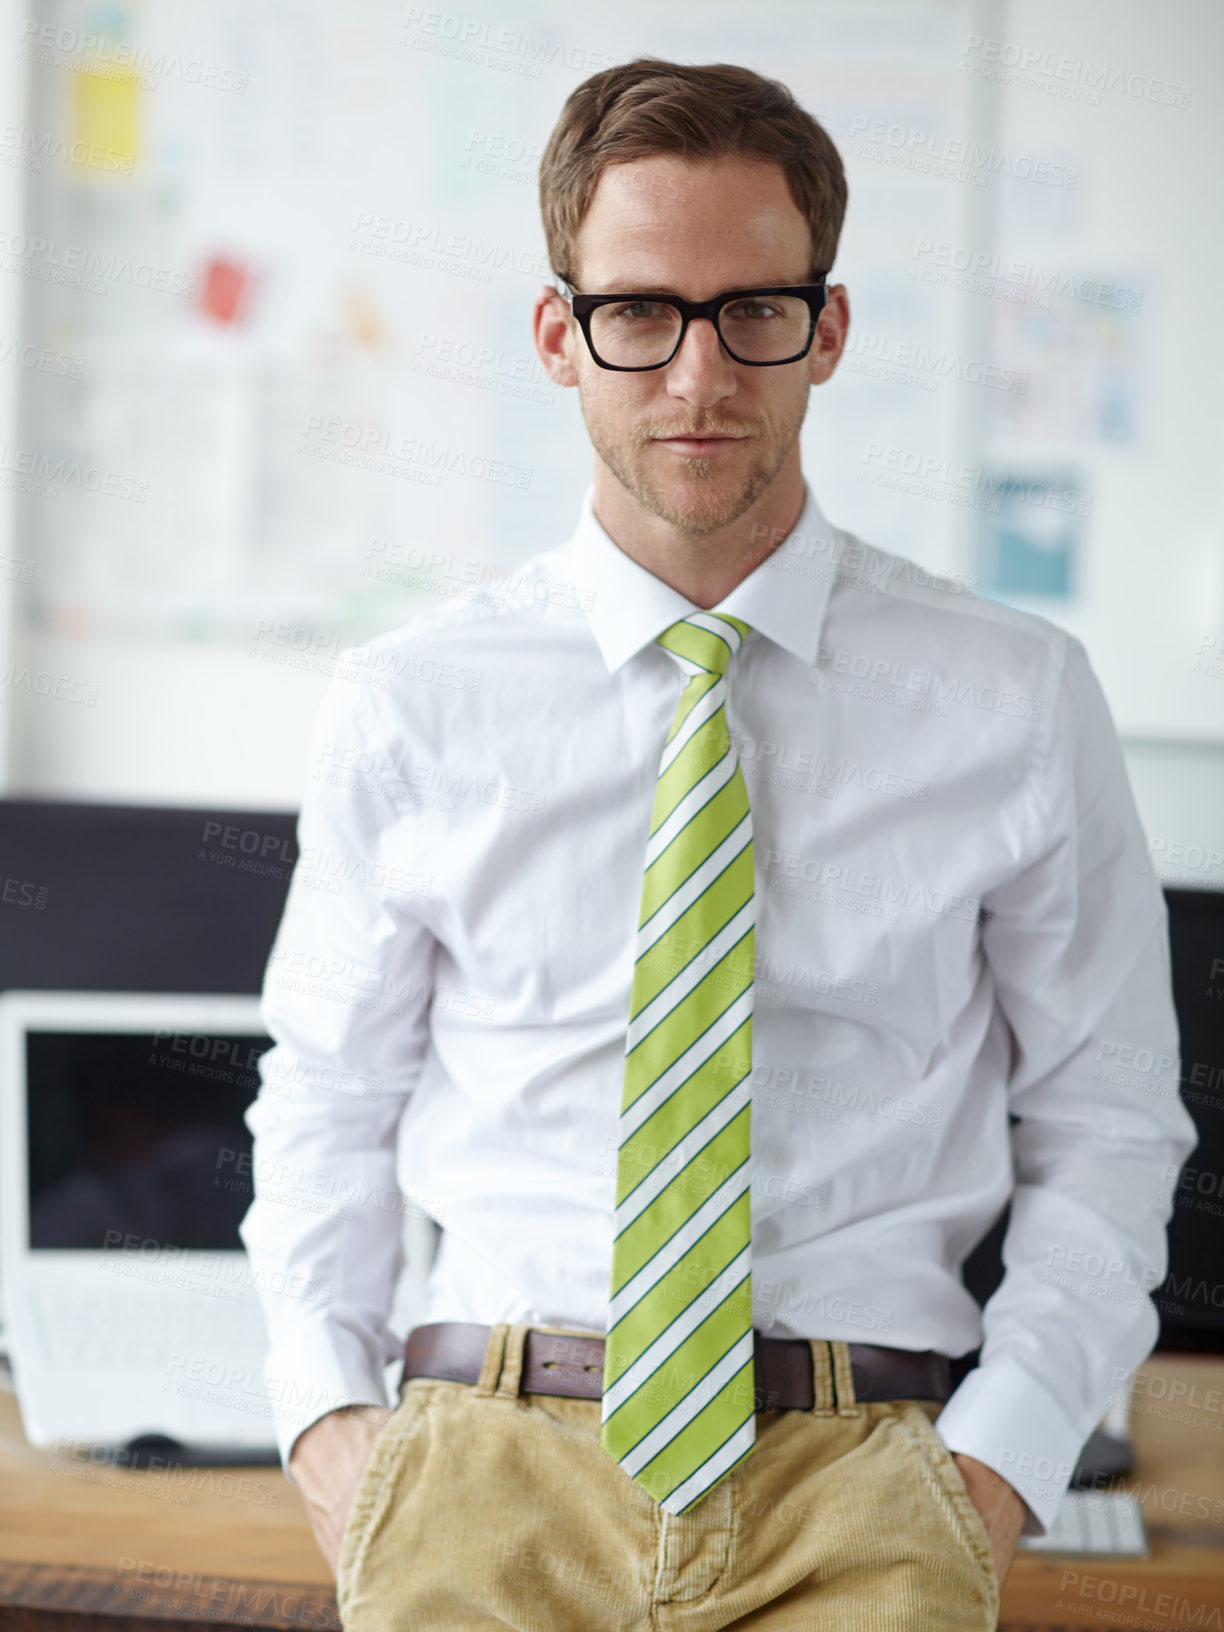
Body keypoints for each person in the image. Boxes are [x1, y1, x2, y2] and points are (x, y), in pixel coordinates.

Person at [238, 56, 1198, 1631]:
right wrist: (331, 1429)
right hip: (483, 1479)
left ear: (827, 328)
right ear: (562, 336)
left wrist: (998, 1468)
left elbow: (1109, 1120)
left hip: (867, 1482)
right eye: (640, 312)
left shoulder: (1013, 699)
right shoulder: (412, 705)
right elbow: (330, 1098)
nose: (698, 378)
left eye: (754, 309)